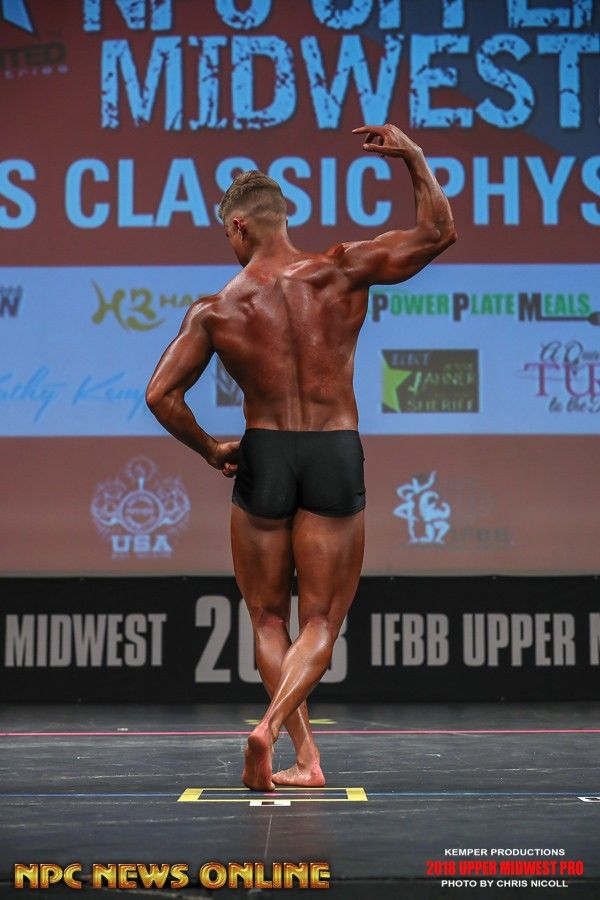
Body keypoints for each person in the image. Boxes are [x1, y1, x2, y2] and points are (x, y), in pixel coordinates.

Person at [146, 124, 456, 791]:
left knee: (266, 617)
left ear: (239, 226)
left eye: (226, 234)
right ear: (283, 219)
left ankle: (304, 752)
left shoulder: (216, 310)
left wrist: (212, 449)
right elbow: (438, 234)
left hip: (265, 452)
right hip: (333, 451)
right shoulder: (339, 270)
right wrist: (412, 156)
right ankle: (274, 733)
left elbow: (160, 396)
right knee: (321, 619)